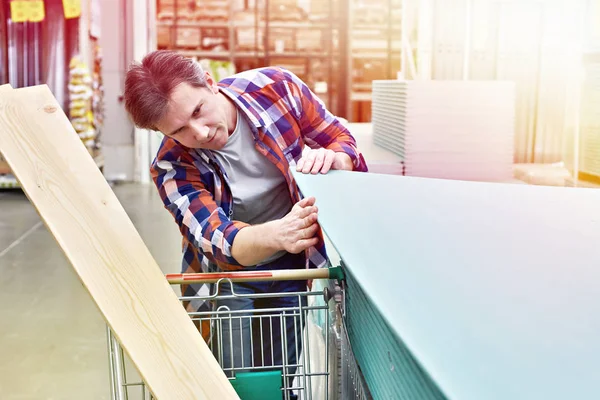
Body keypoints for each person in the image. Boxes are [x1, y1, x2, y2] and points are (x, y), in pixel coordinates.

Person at [123, 50, 368, 390]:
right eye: (180, 129)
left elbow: (341, 139)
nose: (201, 132)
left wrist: (335, 160)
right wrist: (278, 233)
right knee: (235, 379)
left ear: (210, 83)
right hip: (228, 277)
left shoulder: (276, 89)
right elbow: (218, 239)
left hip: (293, 265)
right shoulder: (171, 167)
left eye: (199, 111)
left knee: (280, 371)